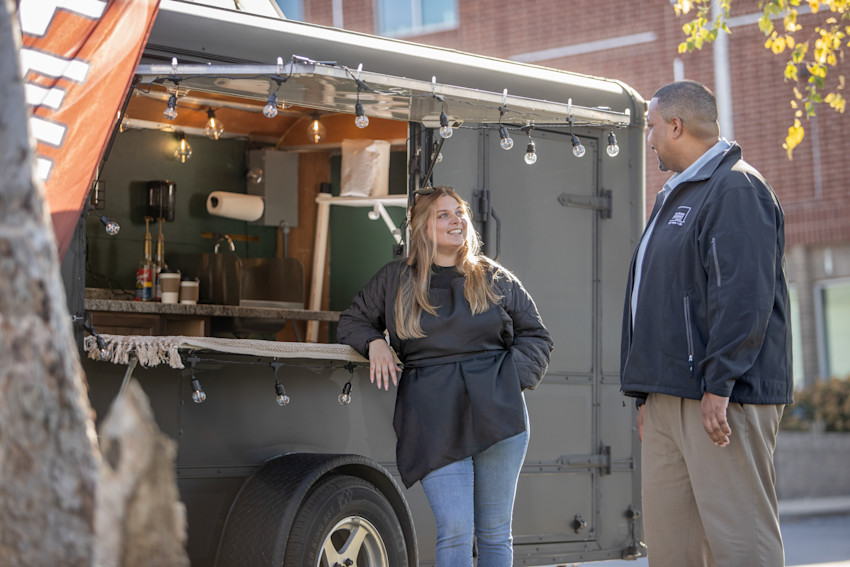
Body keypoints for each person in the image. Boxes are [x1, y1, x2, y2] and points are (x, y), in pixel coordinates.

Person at [620, 80, 793, 567]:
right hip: (668, 397)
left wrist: (720, 383)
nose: (649, 137)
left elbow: (743, 295)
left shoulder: (737, 187)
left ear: (676, 126)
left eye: (652, 127)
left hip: (722, 399)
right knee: (673, 552)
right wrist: (647, 395)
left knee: (742, 547)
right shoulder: (676, 196)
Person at [337, 186, 553, 567]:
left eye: (460, 213)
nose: (458, 221)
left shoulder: (493, 277)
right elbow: (352, 321)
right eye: (444, 215)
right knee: (454, 528)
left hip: (497, 412)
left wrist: (504, 382)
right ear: (422, 227)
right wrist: (374, 342)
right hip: (432, 414)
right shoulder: (395, 279)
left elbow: (536, 335)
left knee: (494, 533)